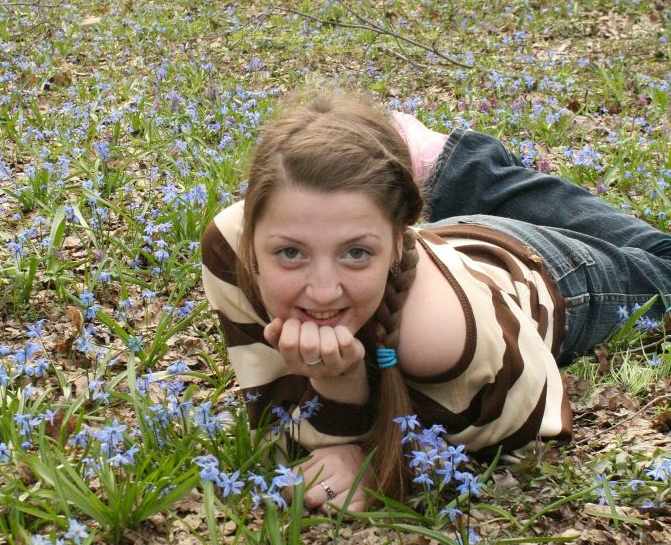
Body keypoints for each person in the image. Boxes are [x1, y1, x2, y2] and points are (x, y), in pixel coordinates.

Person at [200, 92, 671, 509]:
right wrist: (337, 385)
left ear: (395, 241)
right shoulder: (230, 244)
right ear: (253, 233)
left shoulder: (438, 341)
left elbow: (537, 418)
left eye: (356, 253)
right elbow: (275, 416)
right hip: (446, 239)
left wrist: (367, 448)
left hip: (538, 274)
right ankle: (452, 171)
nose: (323, 290)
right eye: (290, 253)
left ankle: (463, 164)